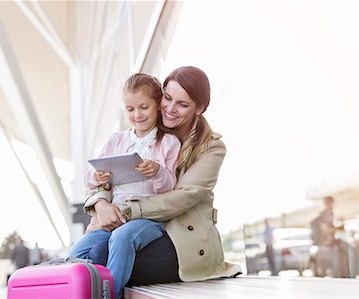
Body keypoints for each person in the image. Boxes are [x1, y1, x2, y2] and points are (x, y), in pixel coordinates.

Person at [83, 66, 242, 296]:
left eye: (183, 104)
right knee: (91, 251)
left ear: (200, 108)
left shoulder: (211, 148)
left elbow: (182, 197)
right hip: (134, 227)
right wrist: (101, 204)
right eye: (167, 98)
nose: (170, 109)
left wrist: (125, 210)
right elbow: (104, 176)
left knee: (99, 257)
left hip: (182, 238)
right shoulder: (137, 137)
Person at [69, 73, 181, 299]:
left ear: (157, 106)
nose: (137, 115)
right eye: (130, 109)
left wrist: (158, 172)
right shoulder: (115, 141)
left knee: (122, 238)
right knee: (78, 250)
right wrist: (97, 176)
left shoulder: (168, 143)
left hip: (149, 219)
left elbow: (170, 189)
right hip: (114, 217)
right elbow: (90, 179)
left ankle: (111, 295)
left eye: (144, 107)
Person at [310, 196, 349, 277]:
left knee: (335, 269)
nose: (332, 206)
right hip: (323, 246)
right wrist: (337, 228)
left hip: (332, 246)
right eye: (331, 204)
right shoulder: (322, 216)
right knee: (322, 271)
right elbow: (325, 230)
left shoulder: (332, 215)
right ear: (326, 204)